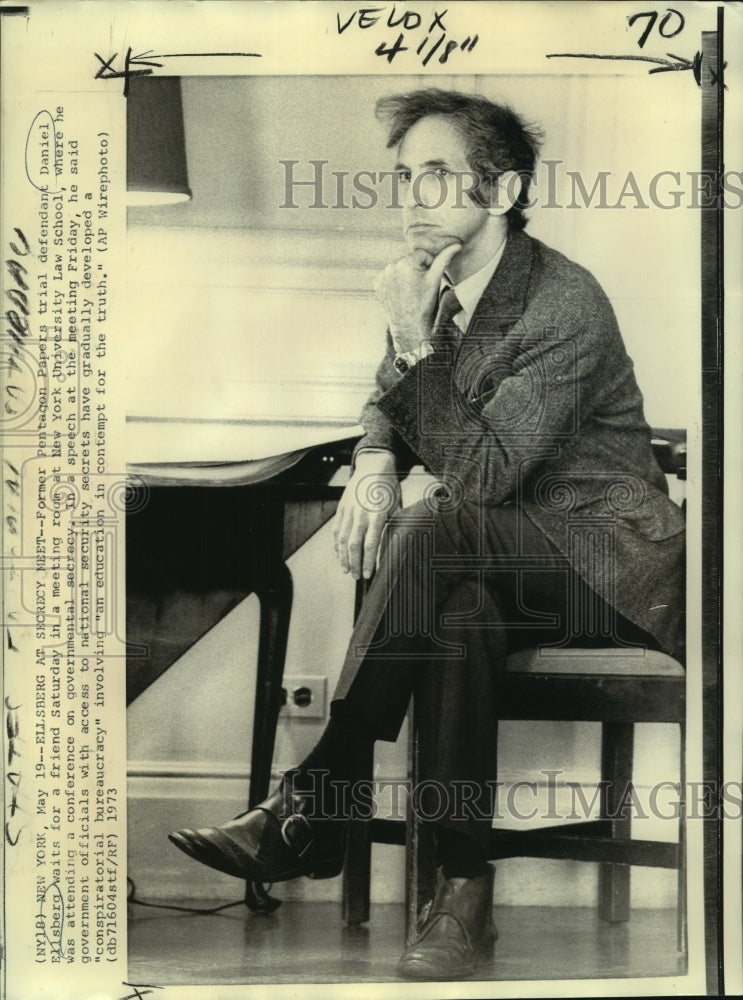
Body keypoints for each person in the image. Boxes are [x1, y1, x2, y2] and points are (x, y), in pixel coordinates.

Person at [169, 89, 685, 980]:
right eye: (404, 176)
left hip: (608, 565)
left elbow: (481, 476)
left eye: (438, 175)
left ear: (502, 188)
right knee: (459, 616)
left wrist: (415, 344)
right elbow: (389, 401)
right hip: (498, 565)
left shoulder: (564, 302)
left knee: (441, 516)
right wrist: (373, 460)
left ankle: (317, 799)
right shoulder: (433, 283)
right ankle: (462, 894)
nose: (411, 196)